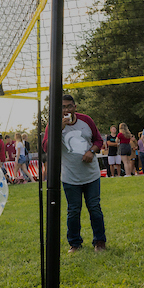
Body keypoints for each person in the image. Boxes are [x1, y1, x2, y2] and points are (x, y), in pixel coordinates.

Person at [44, 94, 106, 253]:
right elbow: (47, 147)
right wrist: (59, 129)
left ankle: (99, 242)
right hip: (70, 176)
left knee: (94, 208)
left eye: (69, 106)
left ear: (75, 107)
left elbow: (99, 141)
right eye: (63, 107)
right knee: (73, 210)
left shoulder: (86, 120)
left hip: (91, 174)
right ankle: (75, 243)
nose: (66, 110)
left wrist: (92, 151)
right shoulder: (53, 124)